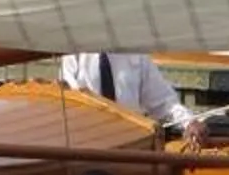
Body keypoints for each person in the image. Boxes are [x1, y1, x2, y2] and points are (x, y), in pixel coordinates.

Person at [59, 50, 204, 141]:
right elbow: (71, 98)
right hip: (86, 141)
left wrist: (189, 122)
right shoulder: (74, 54)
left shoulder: (136, 54)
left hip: (131, 143)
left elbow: (164, 103)